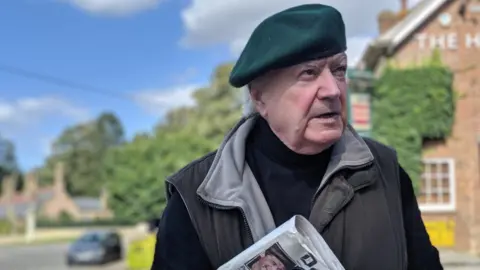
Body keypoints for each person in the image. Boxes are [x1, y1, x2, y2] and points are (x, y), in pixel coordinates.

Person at [151, 4, 443, 270]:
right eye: (308, 73)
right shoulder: (195, 197)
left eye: (339, 70)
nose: (332, 90)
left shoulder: (386, 171)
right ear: (260, 97)